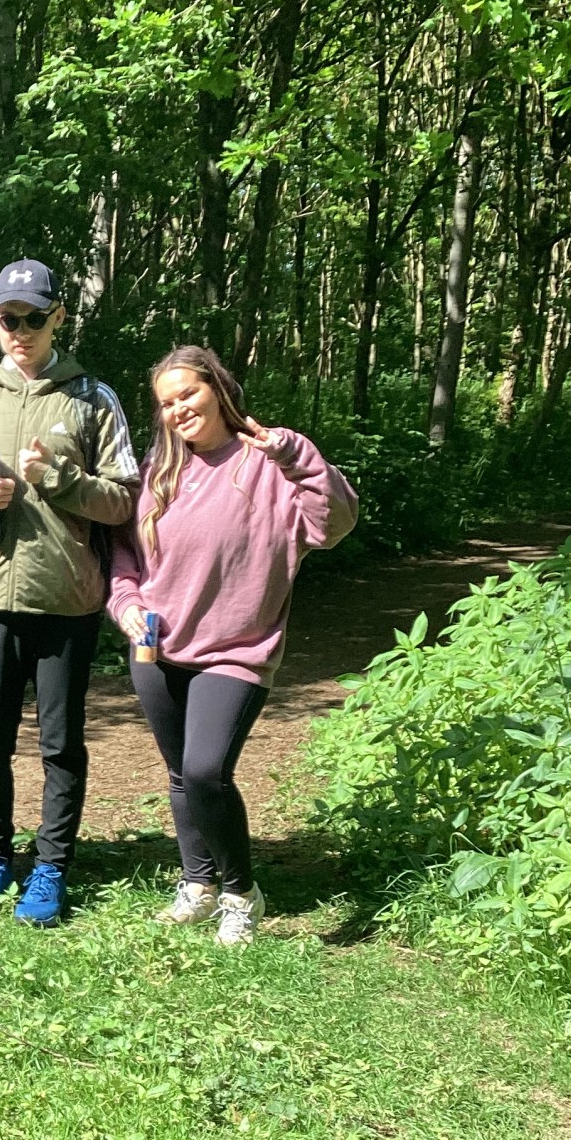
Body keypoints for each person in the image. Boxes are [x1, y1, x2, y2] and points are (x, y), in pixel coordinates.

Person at [107, 344, 359, 945]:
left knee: (205, 771)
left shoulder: (270, 463)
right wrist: (127, 603)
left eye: (188, 393)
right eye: (167, 403)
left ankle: (241, 894)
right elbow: (122, 554)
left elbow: (334, 523)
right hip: (156, 646)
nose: (179, 409)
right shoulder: (157, 470)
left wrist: (294, 454)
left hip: (237, 650)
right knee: (180, 774)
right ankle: (197, 883)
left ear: (217, 390)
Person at [0, 258, 139, 926]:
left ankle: (51, 867)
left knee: (60, 742)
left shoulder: (92, 398)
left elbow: (125, 501)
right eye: (9, 319)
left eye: (33, 318)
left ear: (58, 318)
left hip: (66, 599)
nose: (20, 331)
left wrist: (60, 479)